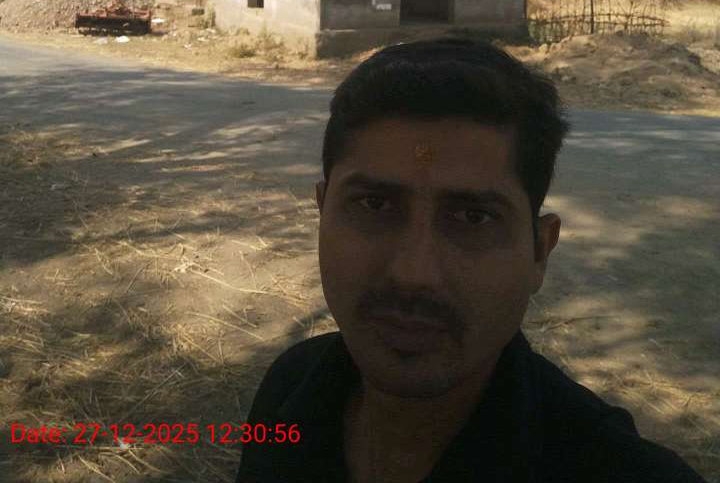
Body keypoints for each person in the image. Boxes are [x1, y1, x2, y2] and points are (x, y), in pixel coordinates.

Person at [235, 36, 706, 483]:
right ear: (322, 215)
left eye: (473, 217)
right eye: (374, 205)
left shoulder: (621, 471)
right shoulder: (288, 393)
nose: (413, 274)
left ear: (539, 251)